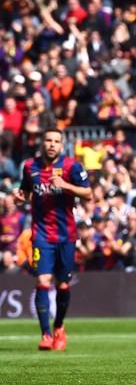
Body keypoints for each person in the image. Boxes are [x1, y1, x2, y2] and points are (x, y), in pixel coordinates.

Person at [13, 128, 93, 350]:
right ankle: (46, 335)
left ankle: (58, 326)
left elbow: (89, 193)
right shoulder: (30, 166)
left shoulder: (72, 167)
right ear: (42, 142)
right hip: (40, 234)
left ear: (61, 145)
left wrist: (65, 186)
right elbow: (26, 192)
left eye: (56, 141)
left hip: (66, 234)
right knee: (42, 281)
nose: (51, 144)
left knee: (63, 283)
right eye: (48, 140)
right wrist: (21, 198)